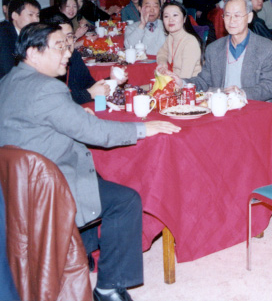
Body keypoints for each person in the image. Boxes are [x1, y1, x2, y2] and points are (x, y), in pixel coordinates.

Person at [0, 22, 180, 301]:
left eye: (67, 46)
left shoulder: (8, 81)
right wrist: (144, 128)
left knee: (97, 176)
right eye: (59, 47)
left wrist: (77, 117)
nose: (67, 53)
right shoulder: (47, 88)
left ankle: (81, 252)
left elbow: (40, 120)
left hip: (13, 186)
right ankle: (109, 286)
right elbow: (97, 133)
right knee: (125, 200)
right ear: (33, 53)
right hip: (48, 189)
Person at [169, 0, 272, 102]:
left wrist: (242, 93)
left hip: (252, 107)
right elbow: (203, 81)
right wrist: (183, 83)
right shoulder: (214, 49)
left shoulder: (267, 48)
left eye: (237, 15)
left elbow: (270, 85)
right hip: (221, 107)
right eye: (227, 15)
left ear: (249, 17)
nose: (231, 20)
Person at [43, 12, 126, 104]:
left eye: (69, 36)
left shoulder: (74, 56)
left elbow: (88, 85)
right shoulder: (45, 66)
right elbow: (54, 102)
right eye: (60, 38)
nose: (66, 42)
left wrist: (111, 80)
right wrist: (89, 94)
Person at [155, 1, 203, 78]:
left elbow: (185, 77)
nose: (170, 20)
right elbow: (162, 53)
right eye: (166, 16)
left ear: (184, 19)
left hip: (189, 83)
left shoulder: (190, 42)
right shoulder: (171, 37)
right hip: (175, 78)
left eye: (175, 15)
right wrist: (162, 63)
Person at [0, 0, 41, 79]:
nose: (36, 20)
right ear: (15, 16)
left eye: (37, 15)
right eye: (30, 15)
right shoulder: (3, 36)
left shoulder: (32, 33)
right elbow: (9, 71)